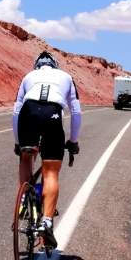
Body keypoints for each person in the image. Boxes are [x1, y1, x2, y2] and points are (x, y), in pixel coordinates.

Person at [12, 50, 81, 248]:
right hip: (52, 115)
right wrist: (73, 141)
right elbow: (75, 111)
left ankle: (24, 198)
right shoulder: (66, 77)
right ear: (55, 65)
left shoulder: (28, 76)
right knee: (50, 172)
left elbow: (17, 110)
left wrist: (18, 142)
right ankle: (47, 222)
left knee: (26, 157)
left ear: (37, 66)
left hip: (28, 113)